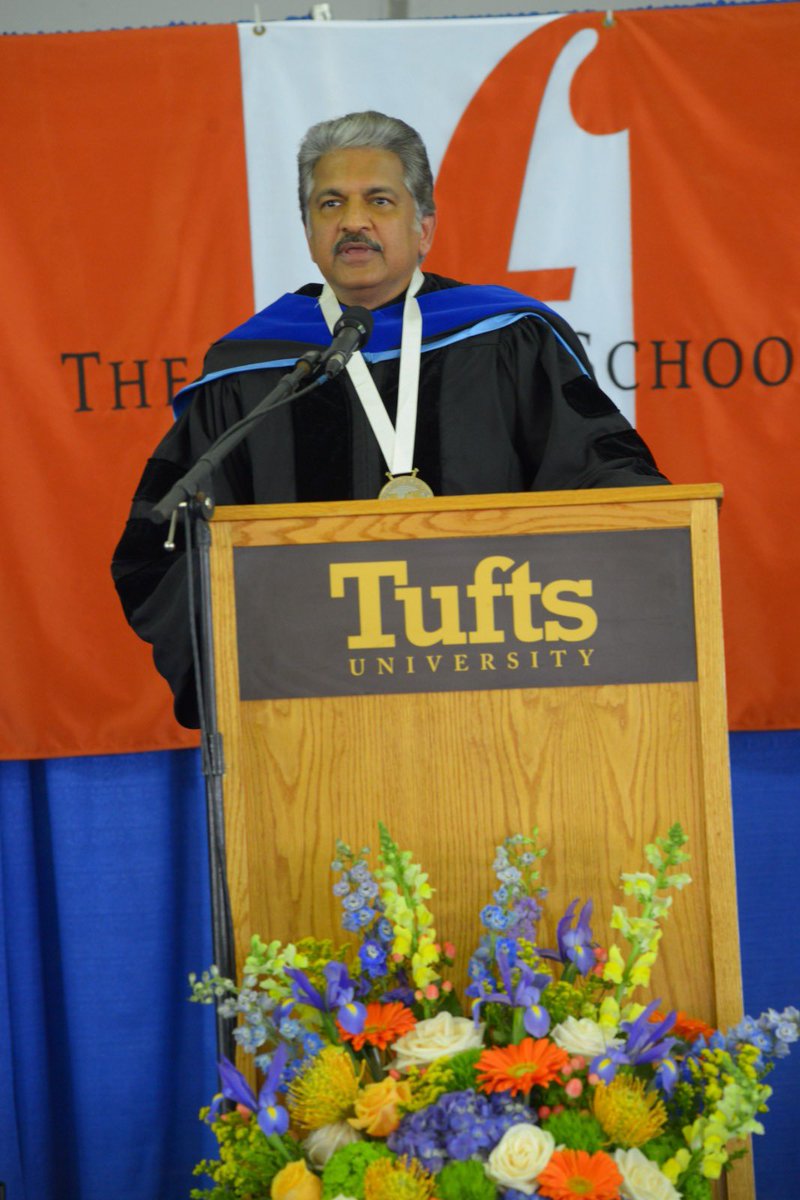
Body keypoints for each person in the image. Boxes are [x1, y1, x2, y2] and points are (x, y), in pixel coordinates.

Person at [112, 110, 666, 728]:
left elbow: (606, 484)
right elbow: (163, 549)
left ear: (423, 225)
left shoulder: (509, 341)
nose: (353, 221)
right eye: (330, 204)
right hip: (314, 707)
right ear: (307, 229)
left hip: (505, 693)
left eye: (378, 200)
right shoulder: (252, 372)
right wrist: (248, 660)